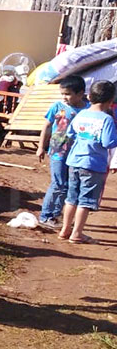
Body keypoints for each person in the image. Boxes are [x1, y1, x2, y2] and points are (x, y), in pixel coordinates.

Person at [58, 80, 117, 244]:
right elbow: (108, 142)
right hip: (93, 165)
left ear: (89, 96)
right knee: (85, 200)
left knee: (71, 197)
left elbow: (70, 133)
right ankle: (77, 233)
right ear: (110, 101)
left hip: (74, 161)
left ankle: (65, 230)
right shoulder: (106, 120)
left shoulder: (81, 114)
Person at [36, 75, 89, 229]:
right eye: (62, 94)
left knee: (69, 185)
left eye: (68, 94)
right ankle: (46, 215)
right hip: (58, 151)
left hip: (76, 154)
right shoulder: (57, 107)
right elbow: (46, 126)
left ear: (80, 94)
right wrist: (41, 146)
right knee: (58, 183)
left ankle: (56, 214)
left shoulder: (87, 110)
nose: (64, 97)